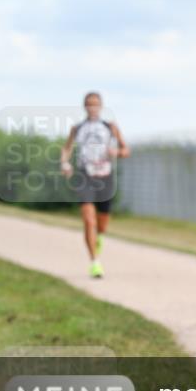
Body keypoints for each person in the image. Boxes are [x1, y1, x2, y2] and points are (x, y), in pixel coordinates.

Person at [61, 91, 130, 279]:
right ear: (85, 106)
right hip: (85, 176)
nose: (92, 107)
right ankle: (95, 262)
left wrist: (116, 152)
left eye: (95, 104)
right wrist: (65, 164)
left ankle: (98, 238)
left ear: (101, 106)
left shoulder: (110, 127)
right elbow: (66, 149)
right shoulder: (77, 128)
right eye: (89, 104)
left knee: (102, 224)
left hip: (105, 177)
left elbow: (126, 150)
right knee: (88, 220)